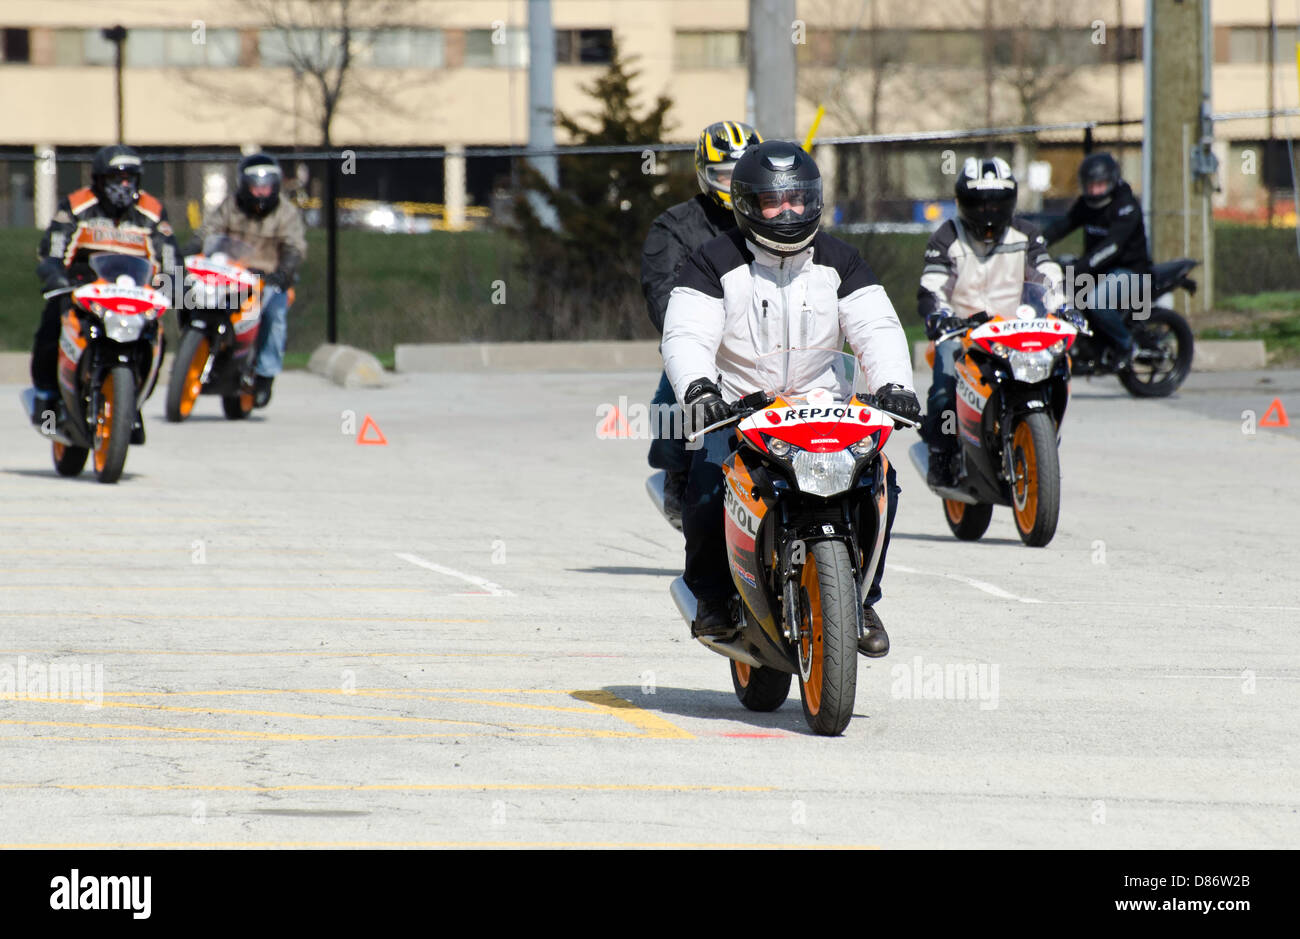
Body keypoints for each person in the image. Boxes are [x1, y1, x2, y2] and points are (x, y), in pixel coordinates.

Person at [662, 140, 920, 657]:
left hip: (821, 408)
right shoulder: (713, 261)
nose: (788, 211)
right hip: (740, 409)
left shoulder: (841, 260)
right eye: (774, 202)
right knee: (709, 481)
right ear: (746, 204)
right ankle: (711, 597)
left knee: (881, 480)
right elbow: (686, 334)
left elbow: (876, 326)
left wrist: (895, 384)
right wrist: (699, 388)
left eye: (798, 200)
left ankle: (863, 598)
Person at [917, 156, 1071, 488]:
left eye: (997, 204)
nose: (988, 212)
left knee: (1060, 365)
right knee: (945, 380)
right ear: (962, 203)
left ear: (1011, 202)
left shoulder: (1027, 233)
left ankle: (1041, 433)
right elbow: (932, 285)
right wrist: (939, 317)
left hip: (1018, 329)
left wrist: (1061, 307)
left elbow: (1047, 273)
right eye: (979, 203)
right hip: (963, 332)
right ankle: (940, 453)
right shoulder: (947, 236)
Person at [640, 121, 762, 526]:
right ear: (704, 174)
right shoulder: (673, 227)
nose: (733, 184)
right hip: (706, 344)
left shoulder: (774, 217)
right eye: (724, 174)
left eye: (741, 173)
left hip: (771, 340)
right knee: (672, 406)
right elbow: (662, 293)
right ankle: (678, 476)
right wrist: (694, 337)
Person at [31, 144, 180, 441]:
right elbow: (52, 250)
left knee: (158, 337)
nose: (124, 185)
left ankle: (131, 404)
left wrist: (174, 285)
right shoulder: (76, 205)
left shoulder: (151, 212)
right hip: (86, 293)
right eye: (115, 178)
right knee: (52, 325)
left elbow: (170, 257)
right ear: (99, 179)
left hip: (134, 296)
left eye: (130, 178)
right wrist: (57, 277)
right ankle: (47, 398)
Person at [187, 152, 306, 407]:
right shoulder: (231, 205)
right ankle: (198, 349)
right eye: (255, 186)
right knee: (192, 298)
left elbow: (294, 246)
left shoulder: (286, 212)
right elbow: (209, 230)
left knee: (274, 316)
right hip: (229, 272)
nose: (261, 192)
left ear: (275, 186)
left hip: (268, 279)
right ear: (244, 184)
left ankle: (264, 374)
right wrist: (193, 246)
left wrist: (284, 272)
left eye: (266, 186)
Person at [1043, 151, 1150, 368]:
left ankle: (1127, 345)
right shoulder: (1086, 204)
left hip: (1131, 271)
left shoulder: (1125, 206)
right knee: (1063, 293)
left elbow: (1111, 247)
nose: (1094, 190)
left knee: (1095, 302)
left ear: (1111, 181)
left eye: (1099, 185)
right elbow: (1063, 226)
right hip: (1100, 270)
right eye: (1090, 185)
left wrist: (1080, 267)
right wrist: (1036, 243)